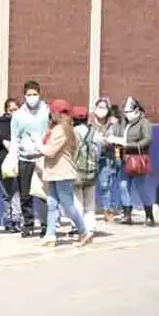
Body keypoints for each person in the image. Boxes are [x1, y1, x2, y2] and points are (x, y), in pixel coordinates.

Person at [38, 99, 93, 247]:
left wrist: (36, 145)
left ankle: (84, 232)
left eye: (52, 112)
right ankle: (50, 235)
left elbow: (50, 151)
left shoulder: (62, 130)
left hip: (63, 173)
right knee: (52, 203)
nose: (50, 115)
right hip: (54, 172)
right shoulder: (58, 129)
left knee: (68, 206)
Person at [11, 80, 50, 237]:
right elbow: (15, 138)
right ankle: (28, 223)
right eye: (29, 94)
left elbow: (50, 132)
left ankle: (46, 224)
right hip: (25, 158)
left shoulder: (46, 111)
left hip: (41, 158)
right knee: (25, 193)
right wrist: (13, 158)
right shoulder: (18, 115)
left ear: (39, 94)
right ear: (24, 95)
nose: (32, 97)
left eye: (35, 94)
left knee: (42, 194)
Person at [115, 97, 154, 226]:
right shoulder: (124, 123)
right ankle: (127, 214)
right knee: (123, 186)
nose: (126, 114)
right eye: (124, 112)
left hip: (138, 159)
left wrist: (129, 145)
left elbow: (147, 139)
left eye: (128, 111)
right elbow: (119, 135)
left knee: (141, 187)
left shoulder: (144, 122)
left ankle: (149, 215)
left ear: (136, 110)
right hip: (125, 158)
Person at [71, 106, 102, 236]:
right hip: (92, 169)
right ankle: (90, 227)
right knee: (90, 200)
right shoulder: (94, 132)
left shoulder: (72, 132)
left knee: (77, 200)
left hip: (76, 170)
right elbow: (99, 152)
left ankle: (77, 226)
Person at [0, 98, 21, 233]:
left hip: (20, 161)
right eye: (11, 110)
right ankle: (8, 221)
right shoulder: (0, 123)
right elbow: (4, 141)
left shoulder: (22, 122)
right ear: (6, 110)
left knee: (17, 192)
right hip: (4, 161)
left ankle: (16, 220)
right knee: (7, 193)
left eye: (16, 109)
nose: (13, 112)